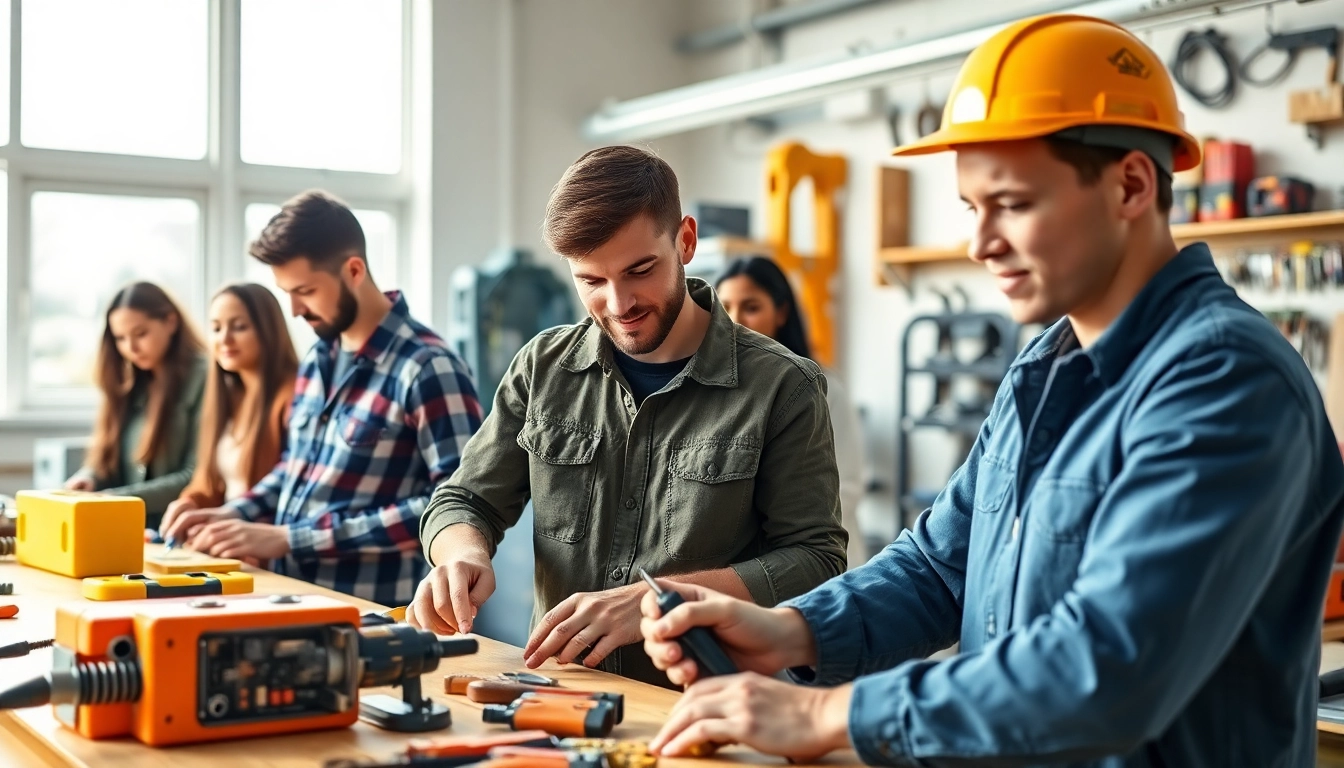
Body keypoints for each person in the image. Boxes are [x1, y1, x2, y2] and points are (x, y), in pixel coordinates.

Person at [638, 14, 1344, 766]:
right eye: (973, 209)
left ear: (1132, 184)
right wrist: (793, 631)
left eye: (1011, 203)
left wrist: (825, 714)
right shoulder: (1043, 367)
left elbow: (1109, 666)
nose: (980, 244)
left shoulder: (1225, 382)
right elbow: (943, 566)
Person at [409, 145, 847, 687]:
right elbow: (465, 500)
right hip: (558, 697)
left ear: (685, 241)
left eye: (640, 270)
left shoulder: (783, 386)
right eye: (591, 281)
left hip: (705, 704)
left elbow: (816, 560)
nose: (619, 304)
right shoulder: (543, 368)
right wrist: (461, 553)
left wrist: (654, 600)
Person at [161, 190, 483, 605]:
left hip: (371, 614)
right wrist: (232, 515)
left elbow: (455, 509)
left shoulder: (429, 367)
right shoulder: (318, 357)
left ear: (353, 271)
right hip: (292, 599)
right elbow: (294, 470)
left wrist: (289, 539)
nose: (294, 309)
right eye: (286, 293)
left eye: (306, 291)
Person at [717, 257, 868, 567]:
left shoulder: (821, 387)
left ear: (781, 312)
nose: (735, 320)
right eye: (725, 307)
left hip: (818, 567)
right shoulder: (713, 391)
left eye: (751, 307)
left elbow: (847, 486)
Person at [163, 284, 299, 544]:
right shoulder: (227, 396)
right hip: (226, 544)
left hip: (262, 548)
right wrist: (189, 504)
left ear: (268, 330)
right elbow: (210, 483)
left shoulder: (293, 395)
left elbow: (289, 484)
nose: (224, 339)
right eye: (216, 328)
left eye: (239, 327)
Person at [66, 282, 207, 529]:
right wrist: (89, 477)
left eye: (141, 334)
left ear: (171, 322)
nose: (130, 349)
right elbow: (109, 460)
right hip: (129, 530)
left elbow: (195, 475)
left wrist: (112, 500)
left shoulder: (204, 377)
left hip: (179, 532)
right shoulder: (129, 382)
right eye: (120, 338)